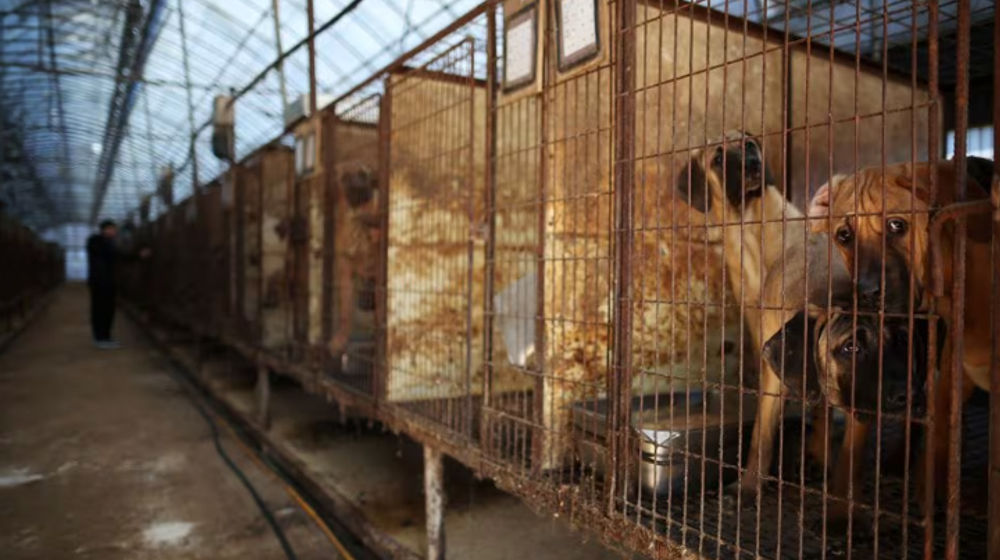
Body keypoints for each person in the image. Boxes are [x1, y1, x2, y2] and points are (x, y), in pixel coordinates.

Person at [327, 167, 380, 367]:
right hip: (370, 282)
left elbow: (347, 278)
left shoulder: (378, 210)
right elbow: (347, 278)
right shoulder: (352, 223)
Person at [86, 219, 149, 348]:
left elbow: (119, 255)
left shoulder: (107, 242)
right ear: (105, 229)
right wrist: (136, 254)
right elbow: (116, 254)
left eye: (115, 229)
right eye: (113, 229)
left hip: (107, 281)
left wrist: (137, 255)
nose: (115, 232)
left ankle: (105, 337)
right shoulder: (96, 241)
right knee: (101, 310)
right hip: (100, 282)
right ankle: (101, 338)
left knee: (108, 309)